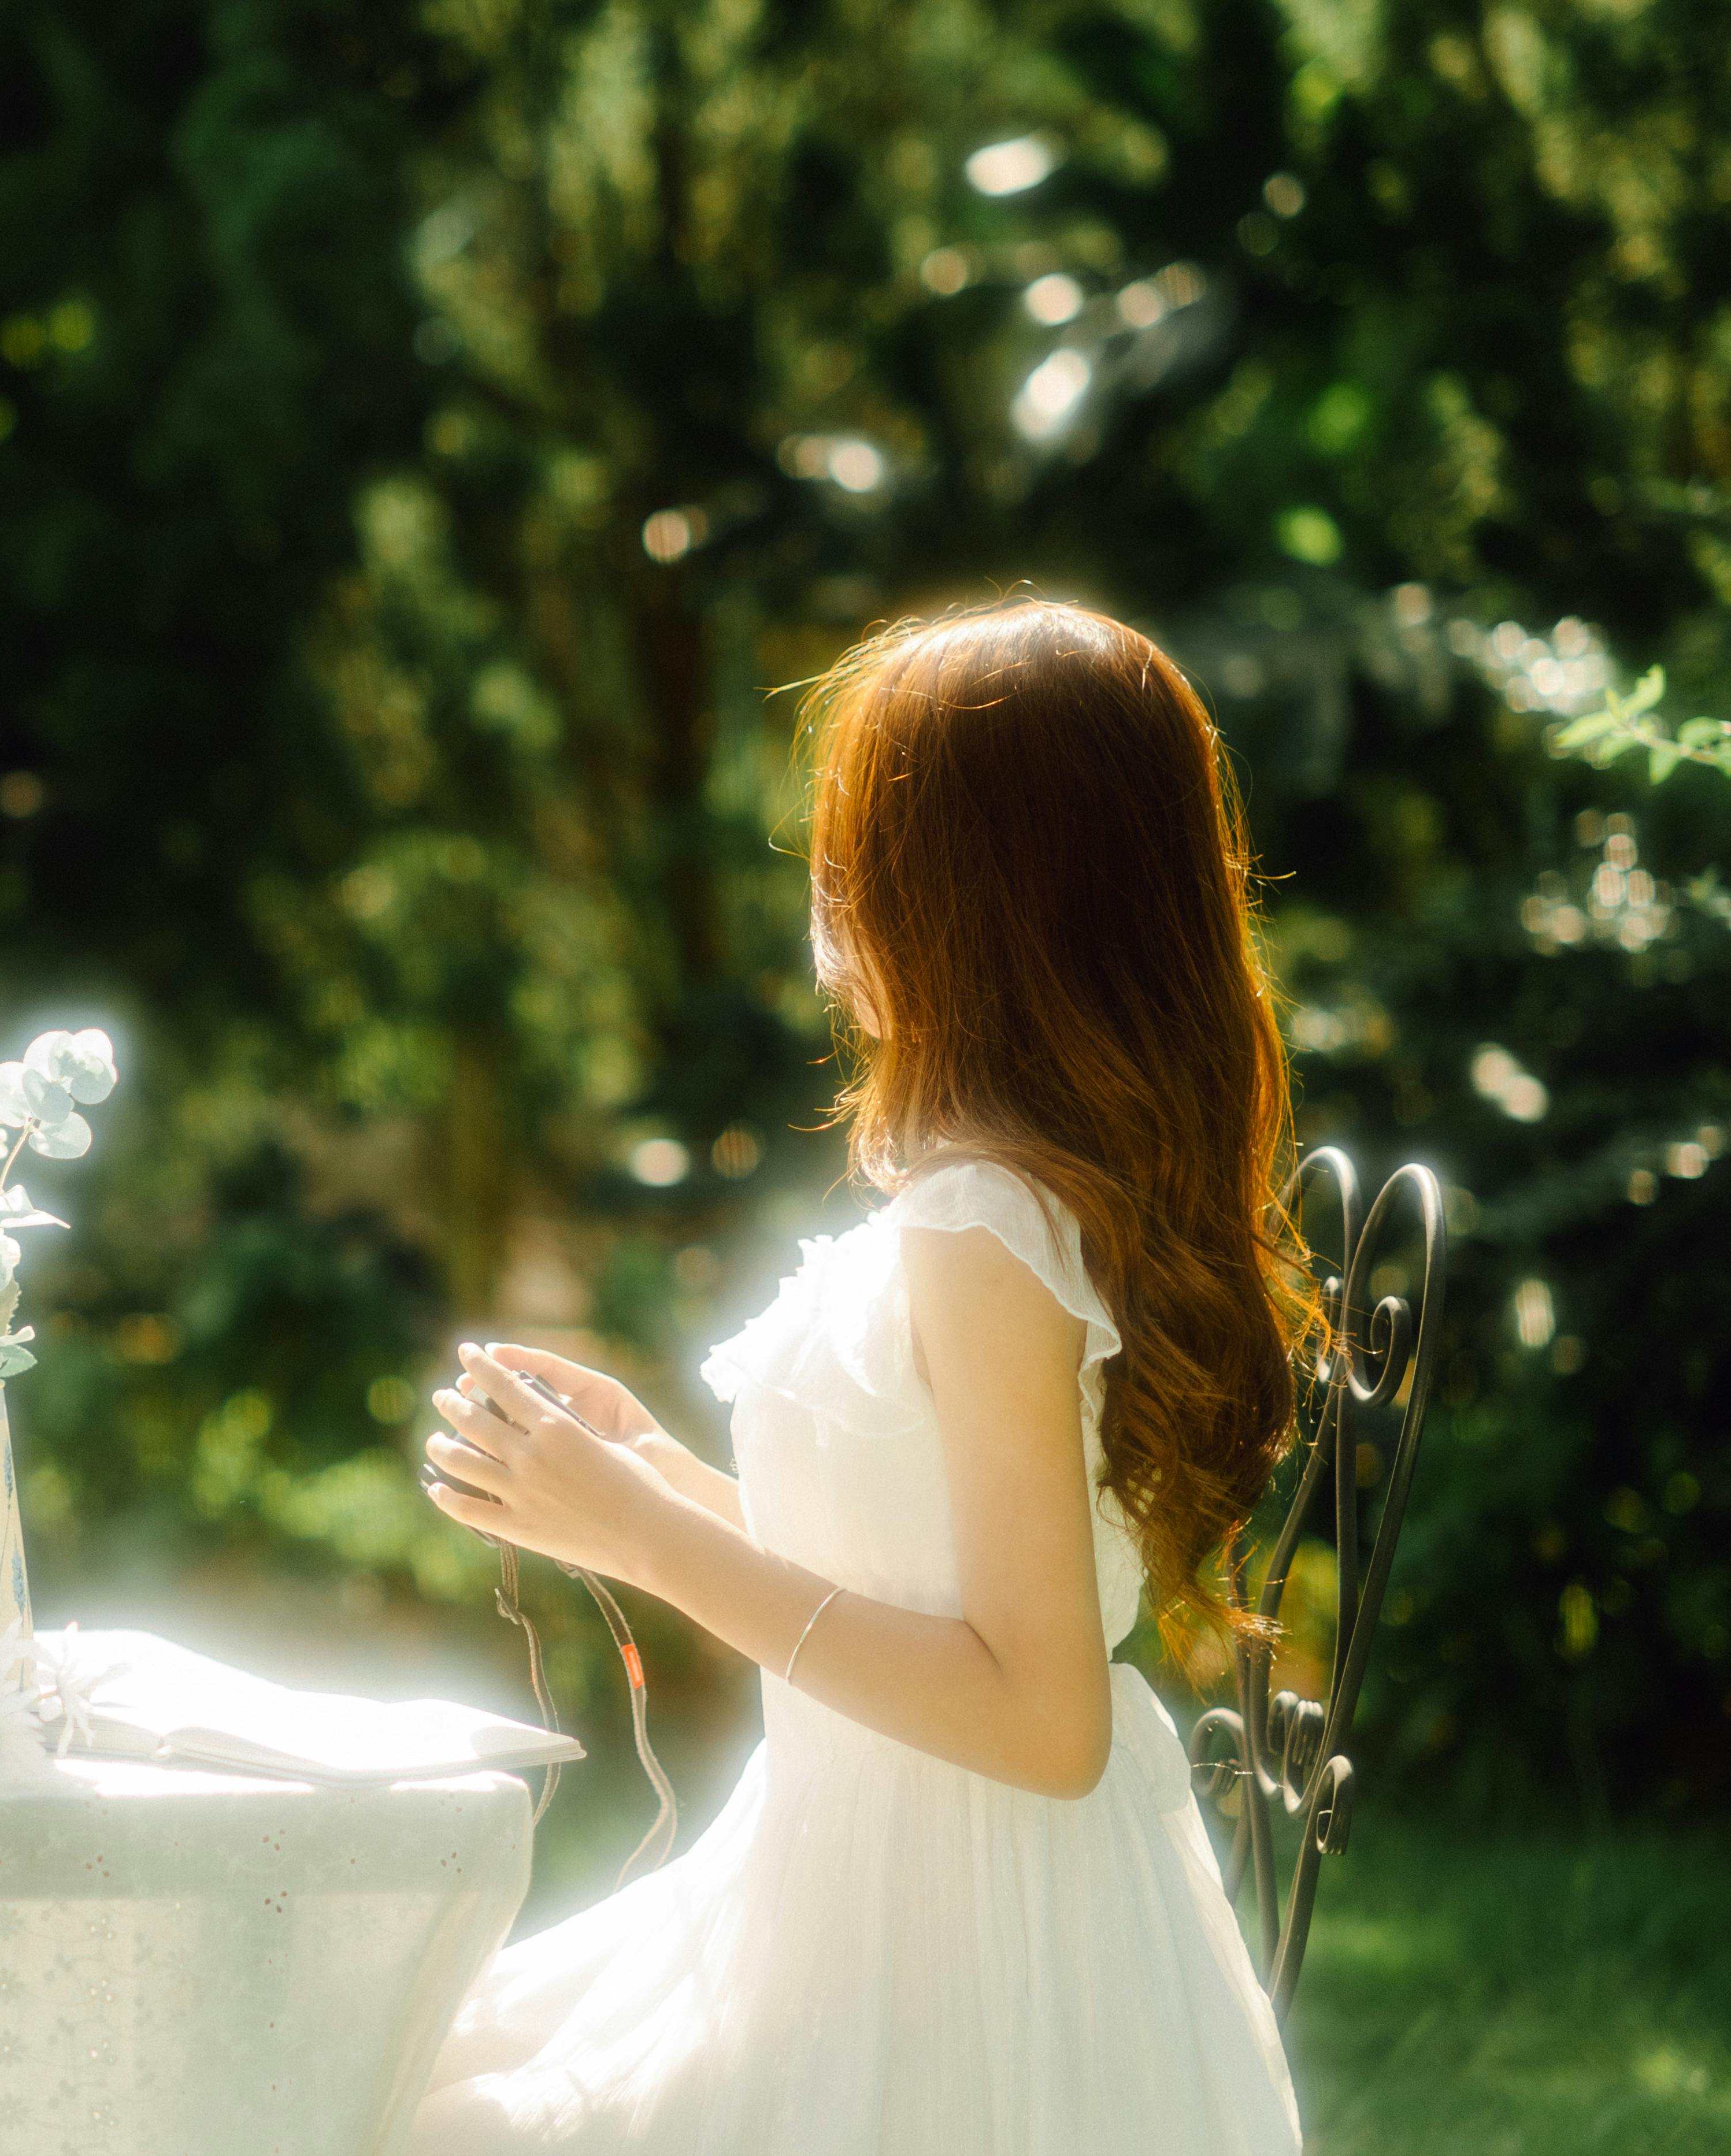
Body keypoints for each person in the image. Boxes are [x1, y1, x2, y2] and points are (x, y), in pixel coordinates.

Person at [412, 599, 1306, 2154]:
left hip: (948, 1930)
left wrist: (646, 1538)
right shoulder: (990, 1194)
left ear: (965, 898)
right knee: (395, 2054)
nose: (830, 910)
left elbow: (1043, 1719)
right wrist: (650, 1478)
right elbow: (919, 1562)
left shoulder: (988, 1226)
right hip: (852, 1871)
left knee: (394, 2106)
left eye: (858, 862)